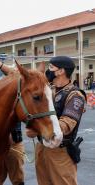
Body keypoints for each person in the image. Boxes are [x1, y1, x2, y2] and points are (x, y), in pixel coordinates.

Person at [26, 56, 86, 185]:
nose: (49, 71)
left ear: (61, 71)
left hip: (60, 152)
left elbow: (66, 124)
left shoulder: (75, 95)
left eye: (51, 67)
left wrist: (38, 128)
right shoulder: (48, 90)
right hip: (41, 147)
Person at [0, 56, 25, 185]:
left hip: (14, 141)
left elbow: (18, 74)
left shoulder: (15, 94)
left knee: (18, 177)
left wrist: (0, 65)